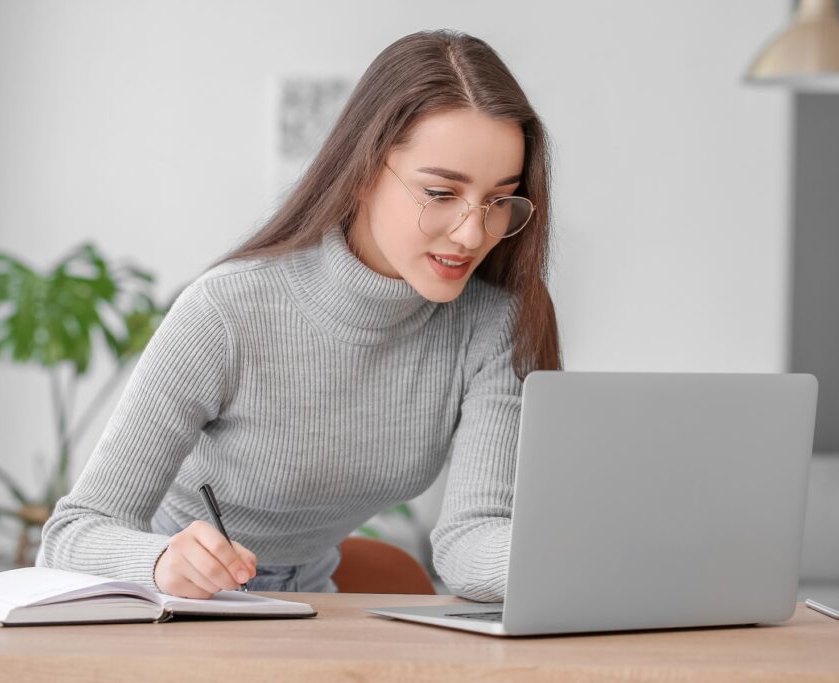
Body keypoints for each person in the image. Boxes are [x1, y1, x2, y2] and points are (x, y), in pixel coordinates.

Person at [36, 28, 561, 603]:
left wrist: (598, 560)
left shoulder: (496, 323)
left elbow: (471, 538)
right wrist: (160, 561)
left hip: (316, 609)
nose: (471, 233)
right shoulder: (227, 311)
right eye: (440, 194)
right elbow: (71, 535)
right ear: (363, 171)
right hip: (166, 605)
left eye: (498, 201)